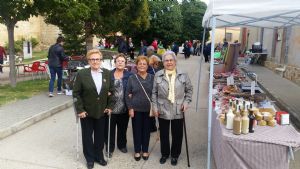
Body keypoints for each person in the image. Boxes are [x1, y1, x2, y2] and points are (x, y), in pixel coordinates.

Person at [73, 49, 113, 169]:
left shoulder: (107, 73)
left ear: (101, 60)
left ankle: (99, 156)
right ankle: (89, 158)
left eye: (97, 59)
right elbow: (76, 93)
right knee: (87, 136)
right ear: (89, 60)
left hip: (102, 111)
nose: (95, 61)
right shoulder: (81, 74)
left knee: (100, 136)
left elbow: (111, 91)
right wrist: (80, 110)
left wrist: (110, 106)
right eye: (92, 59)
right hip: (86, 112)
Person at [152, 51, 193, 166]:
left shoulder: (183, 74)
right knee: (164, 134)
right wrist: (154, 107)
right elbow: (154, 93)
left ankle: (175, 155)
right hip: (162, 108)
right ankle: (165, 154)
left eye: (171, 60)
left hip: (178, 108)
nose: (169, 62)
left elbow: (189, 90)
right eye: (166, 60)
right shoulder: (158, 75)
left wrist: (186, 102)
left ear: (175, 61)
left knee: (177, 134)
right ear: (163, 62)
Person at [125, 56, 154, 161]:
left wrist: (155, 108)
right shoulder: (132, 78)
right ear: (136, 65)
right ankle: (137, 150)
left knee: (147, 131)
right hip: (136, 109)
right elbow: (127, 94)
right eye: (140, 63)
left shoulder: (152, 77)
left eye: (144, 64)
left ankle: (145, 150)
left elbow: (155, 94)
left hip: (148, 110)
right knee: (137, 131)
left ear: (147, 66)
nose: (142, 65)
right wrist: (130, 108)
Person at [105, 53, 133, 158]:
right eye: (118, 61)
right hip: (110, 107)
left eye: (122, 61)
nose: (120, 63)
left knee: (123, 128)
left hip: (124, 107)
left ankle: (122, 145)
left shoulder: (130, 75)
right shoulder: (108, 74)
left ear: (125, 63)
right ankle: (109, 148)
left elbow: (133, 88)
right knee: (109, 129)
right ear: (115, 63)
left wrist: (132, 93)